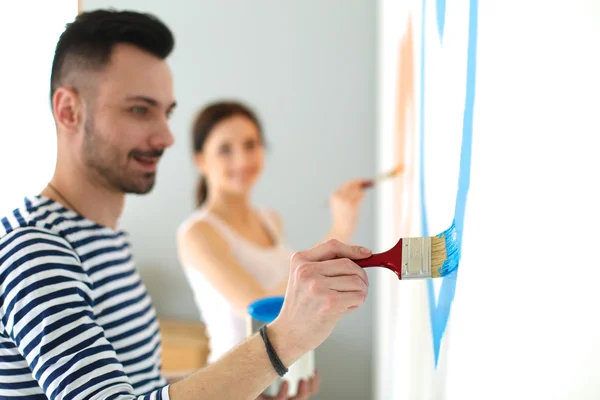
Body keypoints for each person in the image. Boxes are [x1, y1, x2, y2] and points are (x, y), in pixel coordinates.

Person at [0, 8, 371, 400]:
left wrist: (248, 388)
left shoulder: (105, 241)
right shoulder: (35, 251)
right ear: (69, 111)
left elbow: (137, 384)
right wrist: (282, 343)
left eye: (167, 112)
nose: (165, 136)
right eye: (140, 110)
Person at [176, 101, 368, 379]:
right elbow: (262, 312)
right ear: (201, 161)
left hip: (282, 379)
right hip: (235, 385)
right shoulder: (197, 233)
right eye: (225, 150)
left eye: (251, 144)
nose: (242, 160)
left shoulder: (270, 220)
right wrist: (339, 231)